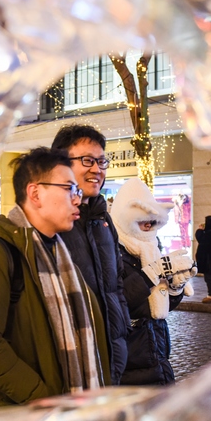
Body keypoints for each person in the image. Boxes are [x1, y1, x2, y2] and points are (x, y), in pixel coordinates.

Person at [0, 147, 111, 412]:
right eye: (68, 189)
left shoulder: (60, 255)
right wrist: (43, 399)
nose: (77, 199)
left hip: (61, 420)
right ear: (35, 193)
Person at [51, 124, 131, 384]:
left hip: (111, 357)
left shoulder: (102, 220)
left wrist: (122, 334)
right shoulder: (49, 223)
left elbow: (116, 285)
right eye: (87, 160)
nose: (97, 169)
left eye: (101, 161)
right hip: (69, 362)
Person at [111, 177, 196, 385]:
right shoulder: (113, 250)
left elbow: (161, 308)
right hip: (131, 355)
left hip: (156, 350)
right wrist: (154, 272)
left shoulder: (151, 246)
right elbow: (120, 302)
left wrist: (176, 287)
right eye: (142, 219)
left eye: (152, 219)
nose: (148, 224)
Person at [195, 216, 211, 303]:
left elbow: (201, 239)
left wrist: (200, 230)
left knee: (208, 277)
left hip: (208, 259)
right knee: (208, 277)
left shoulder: (210, 233)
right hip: (209, 258)